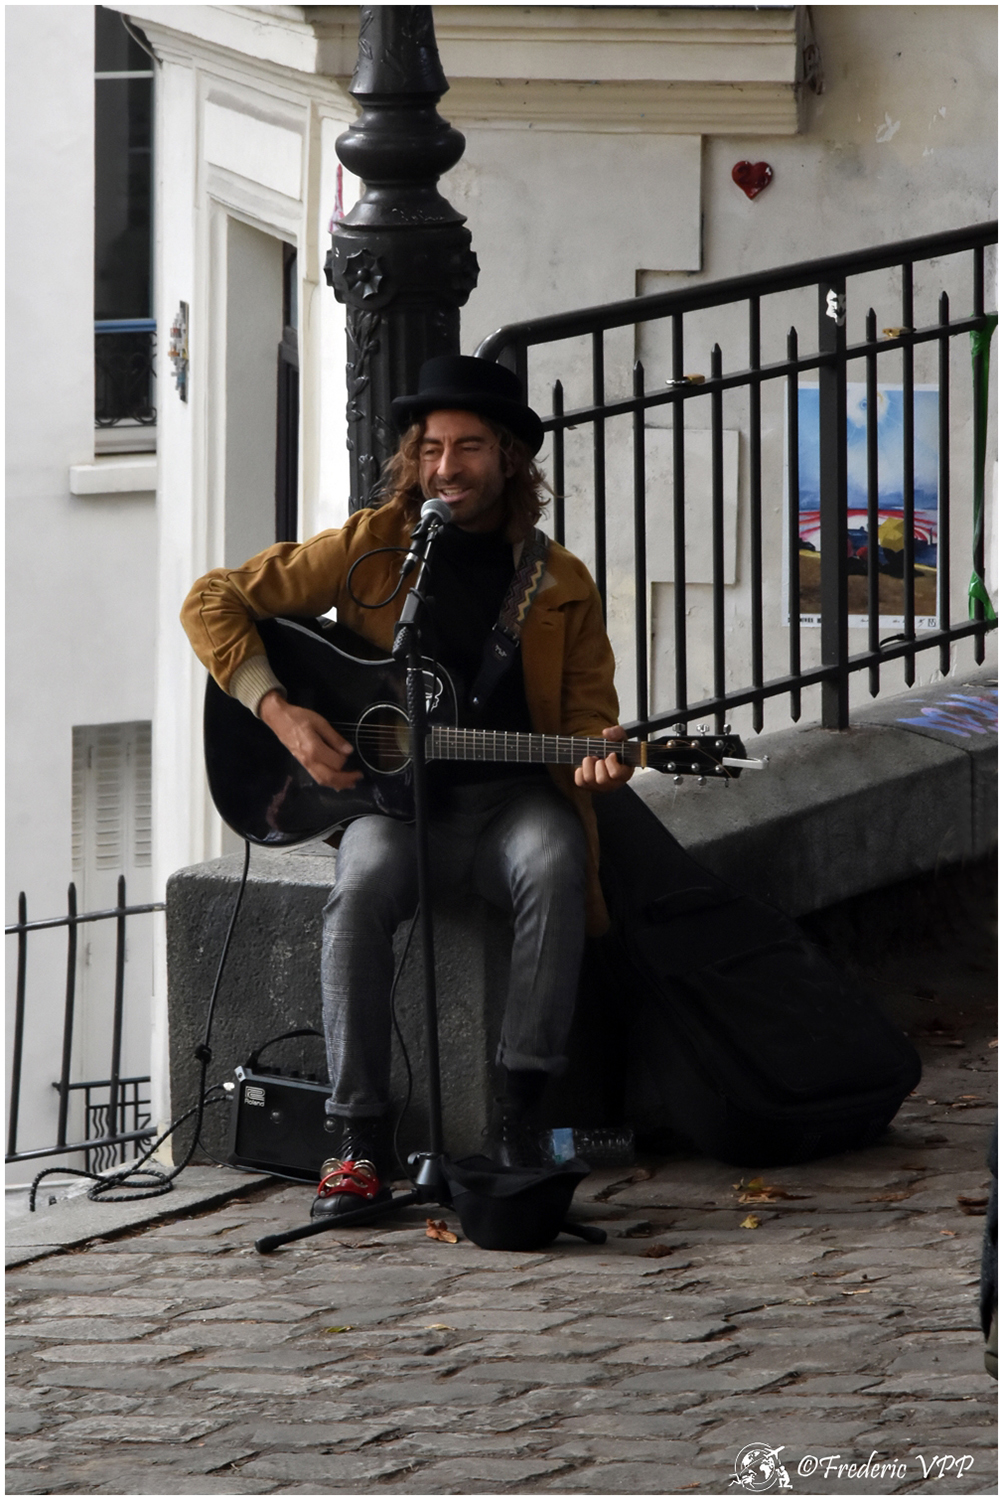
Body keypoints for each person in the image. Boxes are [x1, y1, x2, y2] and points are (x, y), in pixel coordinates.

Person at [182, 355, 632, 1219]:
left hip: (507, 805)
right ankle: (356, 1138)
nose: (446, 467)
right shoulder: (373, 547)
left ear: (508, 458)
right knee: (356, 892)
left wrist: (601, 754)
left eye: (468, 447)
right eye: (429, 449)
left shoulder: (558, 583)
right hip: (385, 807)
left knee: (554, 860)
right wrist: (280, 713)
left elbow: (586, 719)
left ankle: (520, 1115)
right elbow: (212, 600)